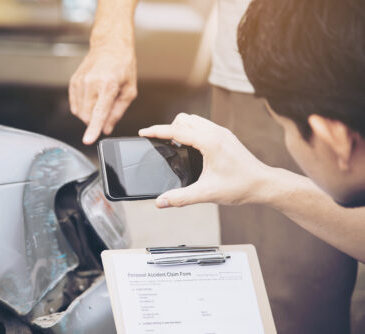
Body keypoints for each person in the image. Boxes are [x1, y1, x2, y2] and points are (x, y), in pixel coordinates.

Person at [69, 0, 359, 332]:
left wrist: (265, 184)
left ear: (336, 139)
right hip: (284, 62)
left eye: (289, 130)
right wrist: (266, 184)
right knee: (286, 303)